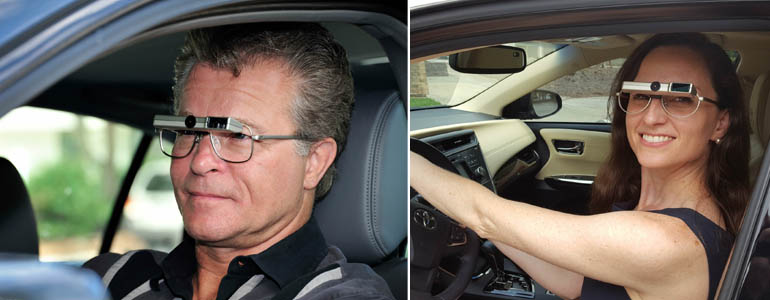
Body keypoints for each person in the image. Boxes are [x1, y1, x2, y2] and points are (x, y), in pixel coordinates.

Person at [411, 33, 750, 300]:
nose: (651, 117)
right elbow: (576, 283)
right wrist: (491, 230)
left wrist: (402, 156)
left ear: (720, 123)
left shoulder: (664, 240)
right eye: (640, 95)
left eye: (681, 99)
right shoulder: (680, 213)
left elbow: (483, 214)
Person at [84, 23, 395, 300]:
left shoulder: (343, 294)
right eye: (187, 130)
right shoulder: (110, 279)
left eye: (238, 137)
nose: (201, 160)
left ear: (314, 161)